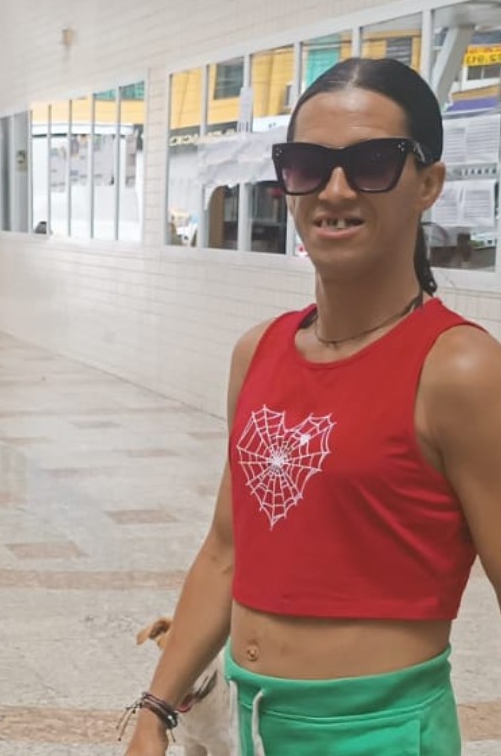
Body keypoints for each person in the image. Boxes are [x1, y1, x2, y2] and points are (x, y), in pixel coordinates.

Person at [123, 58, 501, 756]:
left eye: (372, 162)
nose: (334, 189)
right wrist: (156, 707)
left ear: (429, 185)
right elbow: (227, 552)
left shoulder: (459, 368)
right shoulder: (258, 351)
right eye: (307, 164)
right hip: (258, 722)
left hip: (379, 733)